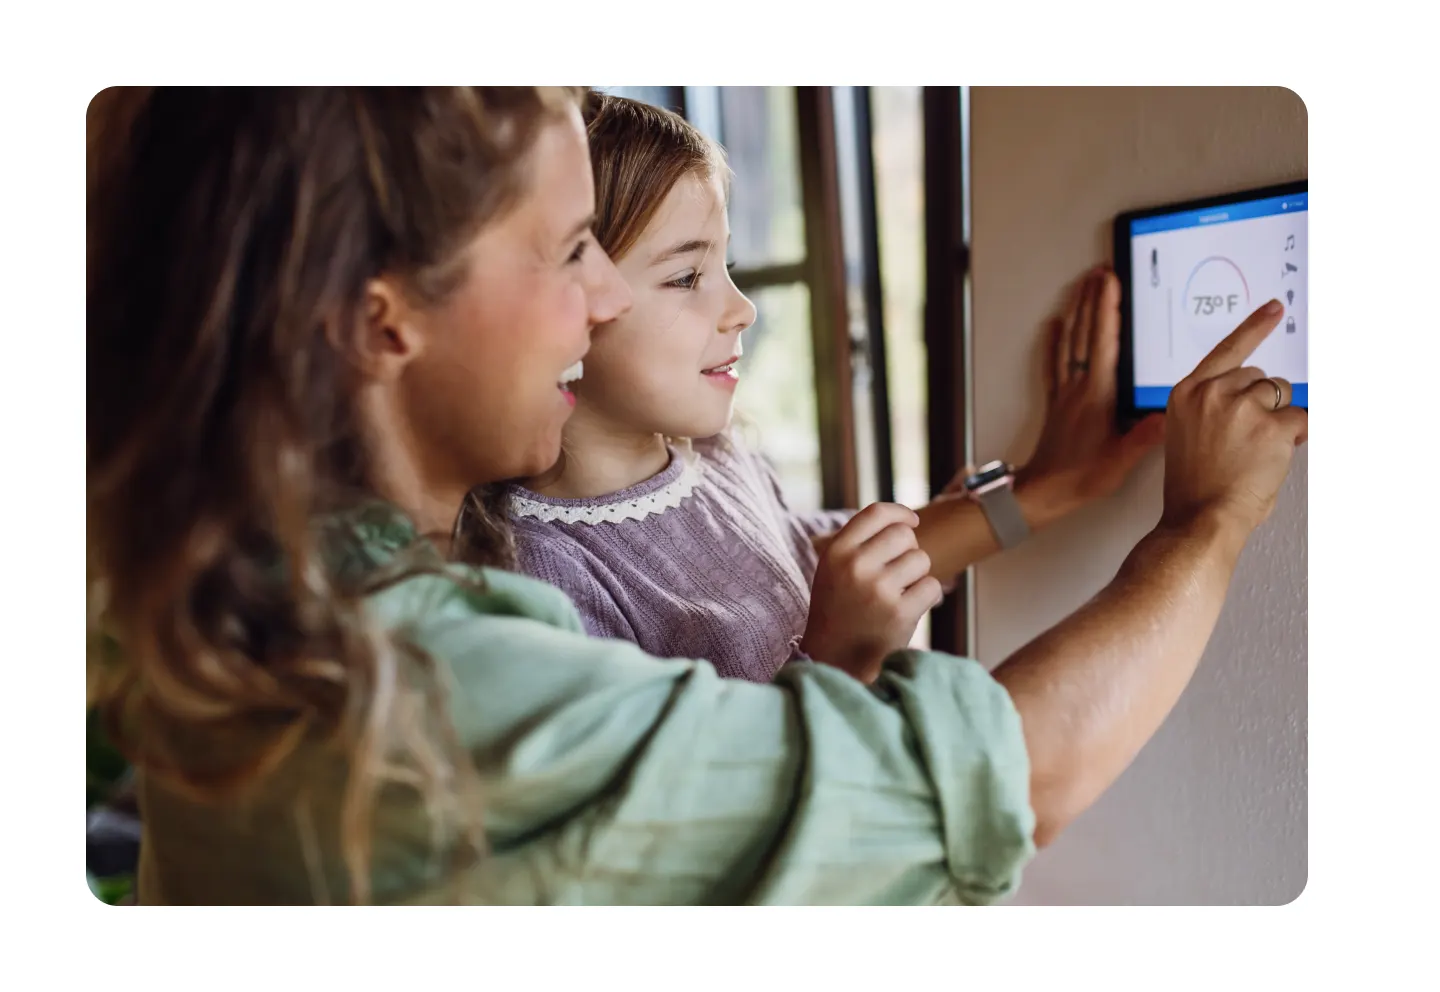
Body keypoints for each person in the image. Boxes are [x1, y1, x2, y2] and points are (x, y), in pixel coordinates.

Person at [88, 86, 1306, 906]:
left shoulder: (286, 576)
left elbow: (811, 552)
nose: (607, 300)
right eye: (573, 254)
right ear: (379, 318)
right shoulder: (437, 667)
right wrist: (1207, 520)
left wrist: (1037, 489)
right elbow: (996, 781)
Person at [508, 93, 1166, 683]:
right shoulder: (546, 577)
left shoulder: (715, 458)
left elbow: (820, 565)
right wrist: (838, 663)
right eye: (686, 277)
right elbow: (715, 808)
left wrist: (1049, 490)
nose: (742, 308)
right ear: (571, 299)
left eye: (726, 266)